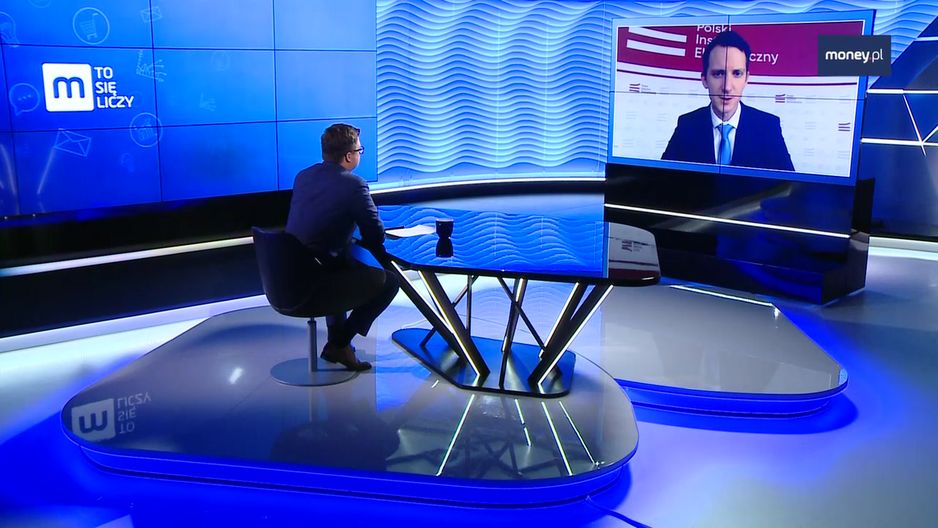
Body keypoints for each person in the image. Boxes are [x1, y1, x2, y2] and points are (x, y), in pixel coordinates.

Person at [285, 124, 400, 371]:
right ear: (349, 156)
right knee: (389, 282)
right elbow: (375, 234)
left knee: (341, 261)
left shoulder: (303, 176)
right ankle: (339, 344)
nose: (360, 154)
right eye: (360, 150)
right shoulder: (354, 184)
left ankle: (338, 343)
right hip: (316, 279)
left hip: (288, 273)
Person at [661, 30, 794, 172]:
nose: (727, 87)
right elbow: (662, 180)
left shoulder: (768, 127)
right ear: (704, 79)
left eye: (737, 73)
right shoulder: (686, 125)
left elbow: (788, 184)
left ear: (746, 79)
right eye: (718, 74)